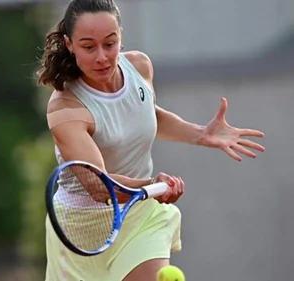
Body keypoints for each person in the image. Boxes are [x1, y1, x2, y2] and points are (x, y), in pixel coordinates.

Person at [36, 0, 265, 280]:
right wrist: (152, 185)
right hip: (79, 232)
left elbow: (146, 114)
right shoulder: (64, 109)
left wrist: (201, 133)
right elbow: (99, 184)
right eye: (88, 47)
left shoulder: (139, 66)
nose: (102, 57)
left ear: (121, 35)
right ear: (70, 45)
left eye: (110, 44)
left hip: (140, 216)